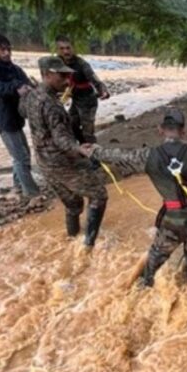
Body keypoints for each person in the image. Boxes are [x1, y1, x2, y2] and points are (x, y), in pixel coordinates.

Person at [80, 109, 187, 287]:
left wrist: (94, 151)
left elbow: (119, 155)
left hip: (172, 220)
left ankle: (142, 288)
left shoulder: (147, 155)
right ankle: (185, 289)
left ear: (160, 130)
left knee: (154, 261)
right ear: (183, 131)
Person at [20, 57, 108, 247]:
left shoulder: (32, 95)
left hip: (44, 162)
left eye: (68, 75)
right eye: (62, 76)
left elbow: (22, 112)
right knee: (99, 195)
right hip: (62, 162)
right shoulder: (51, 104)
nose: (67, 80)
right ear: (47, 74)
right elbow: (61, 139)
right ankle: (89, 244)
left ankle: (71, 240)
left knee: (74, 205)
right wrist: (79, 148)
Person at [0, 31, 40, 198]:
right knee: (21, 157)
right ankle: (32, 194)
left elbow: (26, 82)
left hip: (16, 116)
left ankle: (18, 186)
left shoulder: (14, 68)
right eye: (2, 49)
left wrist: (32, 88)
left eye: (9, 49)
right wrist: (16, 88)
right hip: (1, 117)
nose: (6, 53)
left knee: (23, 154)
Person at [56, 35, 110, 143]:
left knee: (88, 134)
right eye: (62, 49)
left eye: (68, 48)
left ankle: (93, 152)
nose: (66, 51)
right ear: (58, 50)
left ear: (73, 48)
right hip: (75, 99)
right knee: (70, 126)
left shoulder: (82, 64)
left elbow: (95, 80)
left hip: (88, 101)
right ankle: (81, 147)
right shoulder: (58, 63)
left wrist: (103, 91)